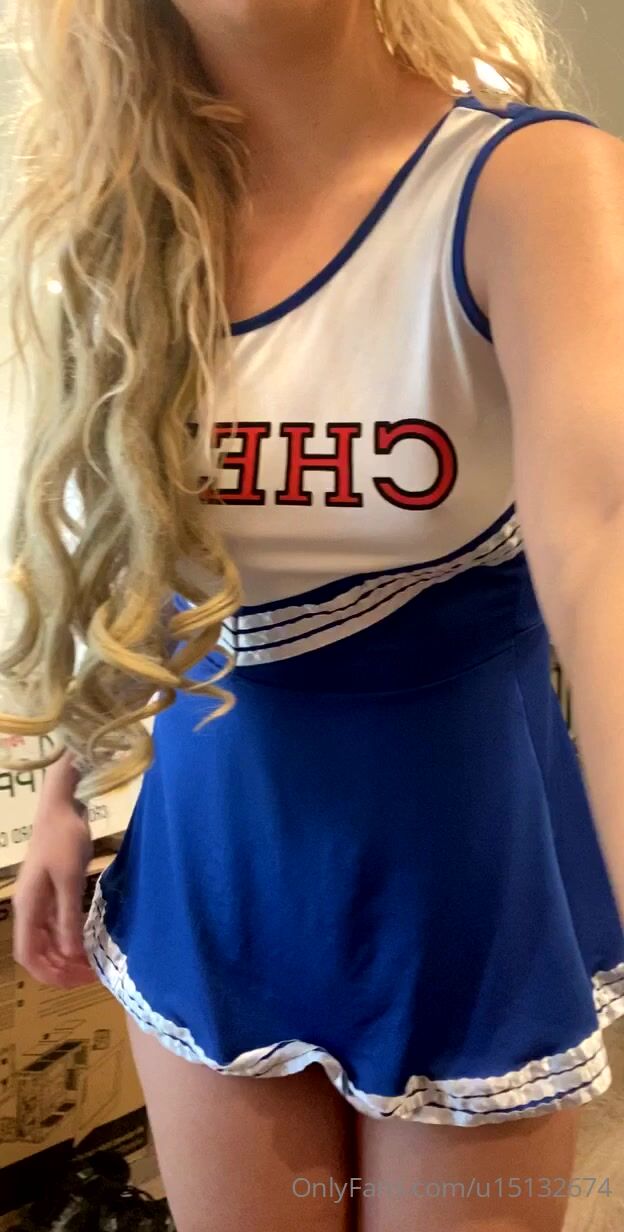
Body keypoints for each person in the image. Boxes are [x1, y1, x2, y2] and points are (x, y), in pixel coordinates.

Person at [2, 1, 624, 1229]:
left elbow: (601, 547)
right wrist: (71, 786)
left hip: (462, 877)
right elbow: (125, 555)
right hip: (210, 862)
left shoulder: (528, 184)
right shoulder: (113, 226)